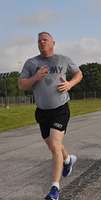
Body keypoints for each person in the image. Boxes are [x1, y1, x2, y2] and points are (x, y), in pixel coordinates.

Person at [18, 32, 83, 200]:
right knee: (54, 147)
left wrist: (70, 84)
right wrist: (36, 77)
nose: (41, 42)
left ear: (53, 42)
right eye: (39, 40)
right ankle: (68, 159)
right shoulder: (32, 63)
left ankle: (54, 189)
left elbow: (79, 74)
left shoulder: (63, 59)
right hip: (42, 112)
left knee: (55, 145)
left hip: (60, 109)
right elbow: (21, 85)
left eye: (45, 40)